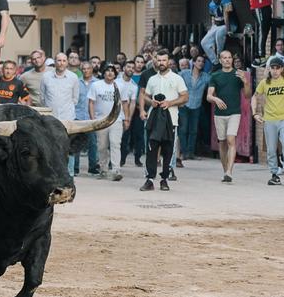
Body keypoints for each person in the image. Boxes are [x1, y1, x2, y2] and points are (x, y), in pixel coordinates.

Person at [139, 50, 188, 191]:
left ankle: (164, 179)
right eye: (159, 60)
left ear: (168, 61)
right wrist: (151, 102)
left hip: (171, 119)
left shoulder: (177, 78)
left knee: (168, 150)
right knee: (151, 149)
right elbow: (145, 96)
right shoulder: (152, 79)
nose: (161, 63)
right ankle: (149, 179)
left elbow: (185, 97)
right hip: (153, 119)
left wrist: (170, 103)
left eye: (164, 60)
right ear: (156, 61)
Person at [207, 50, 252, 182]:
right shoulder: (215, 75)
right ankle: (225, 170)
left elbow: (248, 95)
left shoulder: (238, 74)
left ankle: (229, 172)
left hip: (234, 112)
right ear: (220, 60)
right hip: (219, 114)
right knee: (222, 142)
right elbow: (209, 96)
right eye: (224, 58)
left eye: (229, 58)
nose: (227, 60)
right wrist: (216, 99)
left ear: (232, 60)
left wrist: (246, 82)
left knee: (231, 140)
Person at [88, 64, 131, 181]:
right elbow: (91, 102)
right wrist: (93, 120)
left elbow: (125, 103)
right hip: (101, 120)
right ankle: (103, 169)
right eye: (107, 70)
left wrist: (126, 119)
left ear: (115, 74)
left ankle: (116, 169)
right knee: (102, 146)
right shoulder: (96, 85)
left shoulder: (120, 86)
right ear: (104, 73)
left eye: (112, 71)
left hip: (116, 120)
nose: (110, 73)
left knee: (115, 143)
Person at [41, 53, 80, 175]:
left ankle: (70, 174)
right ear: (55, 62)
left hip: (68, 118)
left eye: (64, 60)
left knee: (68, 147)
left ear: (67, 62)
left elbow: (75, 98)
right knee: (50, 147)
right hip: (50, 119)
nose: (61, 63)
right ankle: (52, 174)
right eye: (59, 60)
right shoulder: (46, 77)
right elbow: (42, 97)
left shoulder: (73, 77)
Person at [251, 56, 284, 186]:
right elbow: (255, 97)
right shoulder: (265, 83)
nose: (275, 71)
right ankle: (274, 174)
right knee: (271, 149)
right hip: (270, 119)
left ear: (282, 69)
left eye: (278, 68)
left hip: (283, 118)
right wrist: (255, 113)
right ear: (269, 69)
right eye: (273, 68)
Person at [177, 54, 209, 162]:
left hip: (196, 105)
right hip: (184, 104)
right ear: (194, 63)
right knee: (183, 129)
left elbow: (214, 82)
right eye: (198, 61)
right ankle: (183, 152)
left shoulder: (205, 76)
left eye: (202, 62)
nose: (200, 63)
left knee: (193, 130)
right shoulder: (184, 73)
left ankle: (190, 153)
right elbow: (173, 81)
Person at [75, 60, 100, 175]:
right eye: (83, 69)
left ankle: (93, 167)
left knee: (93, 143)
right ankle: (75, 168)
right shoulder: (76, 82)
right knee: (76, 143)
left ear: (92, 69)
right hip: (78, 116)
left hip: (91, 118)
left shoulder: (98, 83)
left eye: (88, 68)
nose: (86, 71)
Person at [200, 0, 232, 66]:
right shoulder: (211, 4)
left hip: (228, 24)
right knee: (204, 42)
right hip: (217, 25)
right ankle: (216, 62)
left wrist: (228, 30)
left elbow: (226, 16)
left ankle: (220, 56)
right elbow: (213, 17)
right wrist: (212, 28)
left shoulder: (226, 0)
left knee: (219, 34)